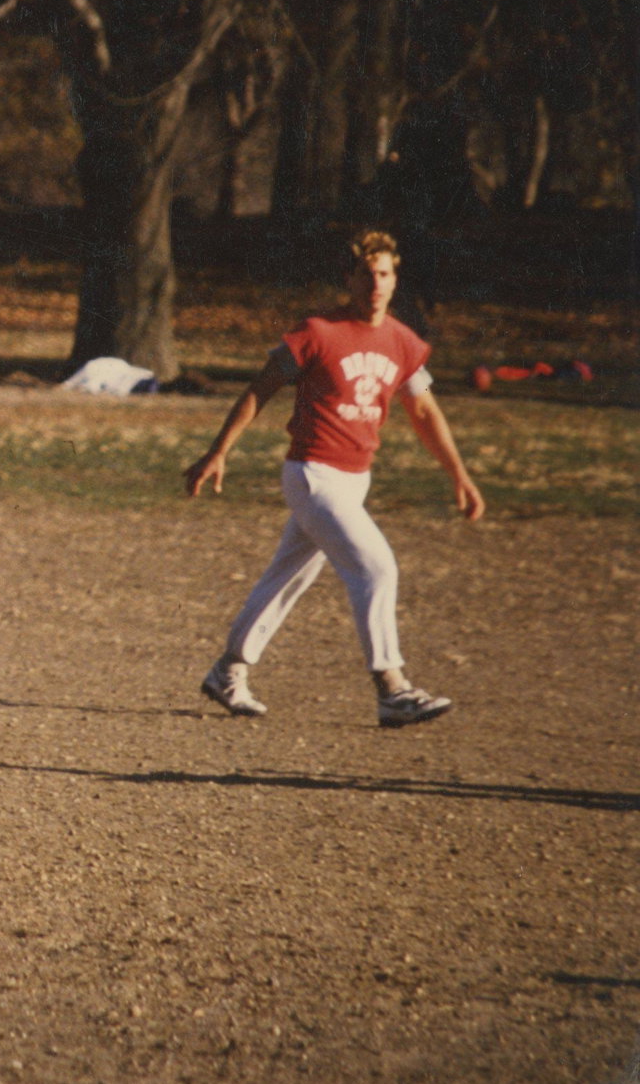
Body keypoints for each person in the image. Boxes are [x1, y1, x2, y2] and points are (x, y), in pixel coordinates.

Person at [183, 230, 485, 729]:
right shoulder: (318, 332)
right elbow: (262, 387)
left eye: (384, 274)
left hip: (353, 480)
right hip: (312, 474)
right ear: (348, 280)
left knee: (290, 575)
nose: (375, 284)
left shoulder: (404, 342)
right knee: (377, 568)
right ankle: (392, 688)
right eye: (366, 274)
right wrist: (218, 451)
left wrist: (460, 475)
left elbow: (425, 409)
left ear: (395, 278)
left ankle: (227, 671)